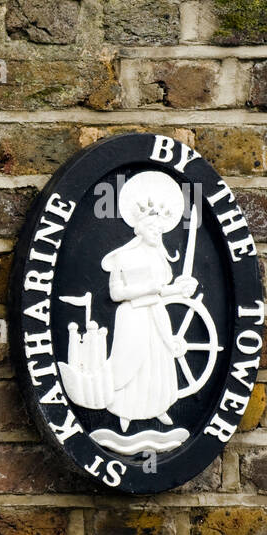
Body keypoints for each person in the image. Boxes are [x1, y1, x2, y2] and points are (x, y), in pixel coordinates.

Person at [101, 171, 198, 430]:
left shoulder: (160, 257)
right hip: (132, 316)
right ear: (140, 229)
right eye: (153, 228)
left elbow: (161, 291)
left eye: (160, 228)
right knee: (131, 360)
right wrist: (146, 289)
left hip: (155, 314)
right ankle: (125, 410)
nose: (158, 232)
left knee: (157, 363)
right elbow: (115, 294)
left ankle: (158, 407)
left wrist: (179, 289)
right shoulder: (122, 258)